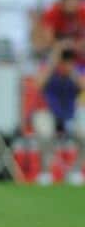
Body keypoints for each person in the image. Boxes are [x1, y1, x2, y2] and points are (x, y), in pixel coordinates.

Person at [32, 41, 85, 186]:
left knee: (84, 133)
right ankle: (45, 172)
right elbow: (38, 84)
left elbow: (83, 86)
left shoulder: (77, 71)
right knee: (44, 132)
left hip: (70, 115)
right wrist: (53, 60)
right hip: (48, 113)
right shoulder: (49, 70)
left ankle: (76, 171)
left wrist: (72, 71)